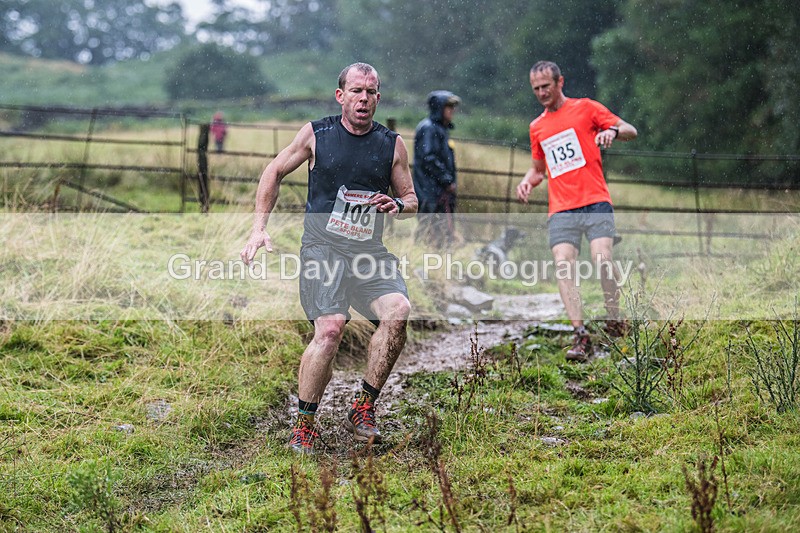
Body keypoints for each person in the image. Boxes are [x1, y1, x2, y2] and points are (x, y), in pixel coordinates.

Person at [240, 63, 418, 454]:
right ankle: (304, 425)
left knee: (398, 311)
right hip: (323, 251)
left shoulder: (392, 144)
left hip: (369, 254)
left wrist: (397, 205)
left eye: (371, 92)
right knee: (331, 329)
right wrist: (258, 228)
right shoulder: (317, 134)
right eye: (356, 91)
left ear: (378, 97)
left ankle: (363, 407)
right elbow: (274, 170)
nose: (364, 99)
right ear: (341, 96)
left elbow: (411, 199)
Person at [516, 60, 637, 362]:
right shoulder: (537, 127)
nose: (541, 93)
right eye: (536, 89)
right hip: (562, 207)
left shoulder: (586, 108)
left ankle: (614, 316)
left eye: (546, 86)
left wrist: (612, 132)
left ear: (560, 82)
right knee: (563, 264)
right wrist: (527, 181)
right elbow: (538, 169)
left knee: (602, 260)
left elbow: (630, 130)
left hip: (595, 200)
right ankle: (580, 334)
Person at [413, 90, 460, 247]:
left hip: (437, 190)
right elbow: (429, 158)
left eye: (453, 107)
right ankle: (421, 254)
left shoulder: (440, 129)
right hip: (429, 190)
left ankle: (436, 253)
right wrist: (447, 180)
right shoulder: (429, 128)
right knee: (429, 227)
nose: (452, 110)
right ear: (438, 107)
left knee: (439, 228)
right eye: (449, 106)